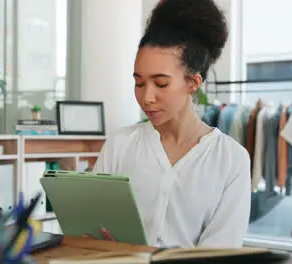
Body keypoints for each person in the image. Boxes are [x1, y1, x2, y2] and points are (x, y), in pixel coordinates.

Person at [92, 0, 251, 248]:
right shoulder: (119, 145)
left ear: (193, 83)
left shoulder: (231, 160)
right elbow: (93, 228)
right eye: (139, 83)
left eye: (161, 83)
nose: (147, 97)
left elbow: (221, 253)